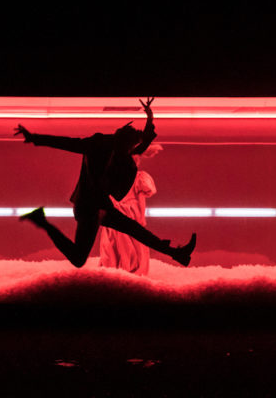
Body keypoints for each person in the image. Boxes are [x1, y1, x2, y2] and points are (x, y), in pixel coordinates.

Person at [14, 98, 195, 268]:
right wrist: (34, 138)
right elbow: (68, 143)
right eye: (131, 147)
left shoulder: (123, 150)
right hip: (88, 207)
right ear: (122, 140)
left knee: (135, 230)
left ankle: (176, 253)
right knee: (79, 259)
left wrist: (150, 115)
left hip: (102, 206)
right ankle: (41, 220)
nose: (134, 150)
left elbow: (144, 141)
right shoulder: (98, 143)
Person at [99, 143, 162, 274]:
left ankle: (130, 272)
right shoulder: (110, 178)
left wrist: (141, 218)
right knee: (112, 244)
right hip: (115, 212)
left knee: (129, 245)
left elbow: (141, 199)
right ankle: (113, 270)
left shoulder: (139, 178)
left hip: (129, 213)